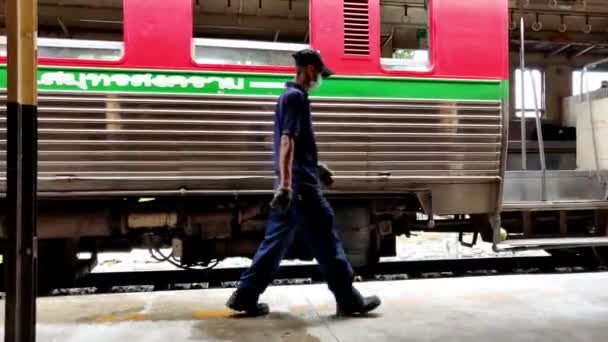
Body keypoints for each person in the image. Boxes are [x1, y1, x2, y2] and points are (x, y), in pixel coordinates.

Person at [226, 49, 381, 317]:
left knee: (274, 244)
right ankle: (348, 299)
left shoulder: (288, 97)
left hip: (294, 185)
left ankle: (245, 296)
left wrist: (316, 168)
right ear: (310, 68)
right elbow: (287, 141)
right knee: (327, 242)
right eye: (320, 73)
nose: (320, 79)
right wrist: (287, 186)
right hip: (301, 189)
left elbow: (294, 146)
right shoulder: (296, 97)